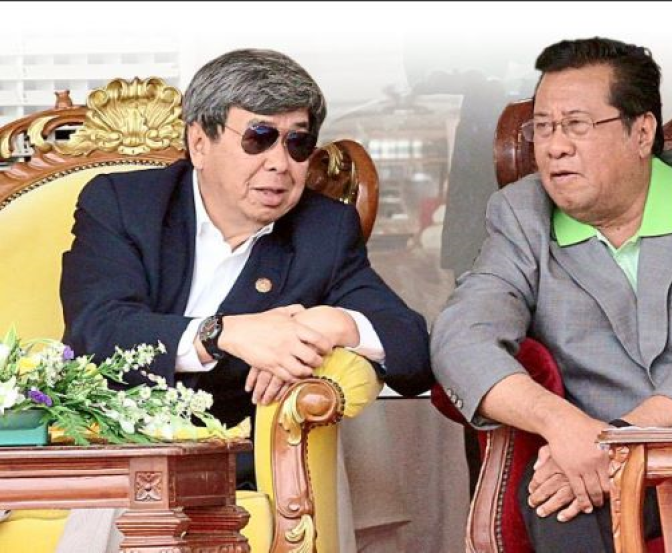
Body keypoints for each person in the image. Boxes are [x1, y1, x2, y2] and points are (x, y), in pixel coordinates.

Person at [431, 37, 672, 552]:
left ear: (641, 132)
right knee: (554, 497)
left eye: (576, 125)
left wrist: (619, 439)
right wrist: (564, 426)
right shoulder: (521, 214)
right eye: (543, 127)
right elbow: (462, 338)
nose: (554, 147)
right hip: (600, 477)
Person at [57, 48, 432, 552]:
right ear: (199, 143)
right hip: (118, 451)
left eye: (298, 143)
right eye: (258, 138)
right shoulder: (124, 205)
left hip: (246, 468)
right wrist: (223, 333)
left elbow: (413, 351)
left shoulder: (323, 228)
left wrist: (332, 325)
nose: (279, 163)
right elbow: (98, 333)